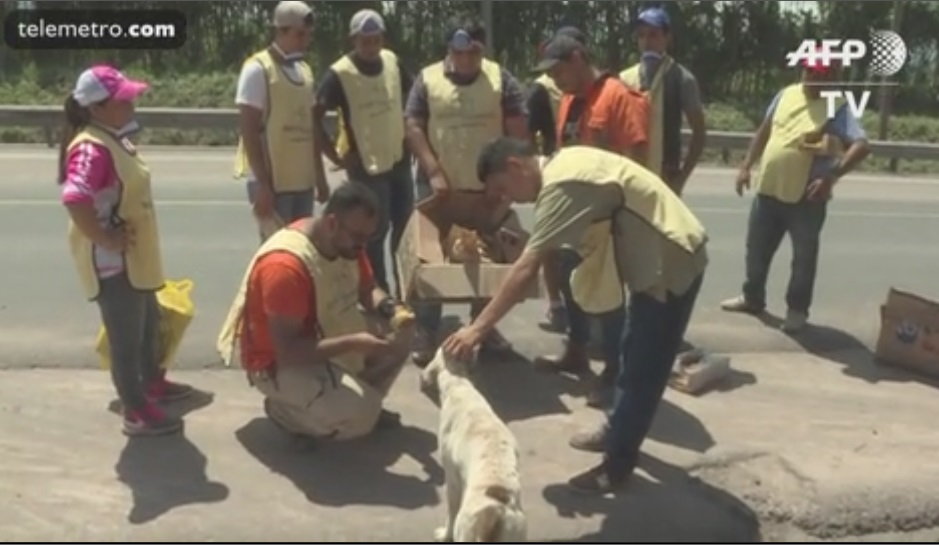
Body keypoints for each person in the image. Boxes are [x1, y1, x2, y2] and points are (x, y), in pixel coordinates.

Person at [443, 138, 708, 494]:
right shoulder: (565, 163)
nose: (508, 200)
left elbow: (527, 268)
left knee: (646, 366)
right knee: (630, 352)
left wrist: (477, 328)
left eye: (504, 189)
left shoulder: (562, 183)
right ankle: (619, 430)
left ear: (517, 166)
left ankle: (616, 467)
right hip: (655, 260)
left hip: (672, 260)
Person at [216, 183, 415, 442]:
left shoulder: (345, 242)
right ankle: (288, 413)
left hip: (328, 333)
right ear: (332, 223)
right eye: (358, 237)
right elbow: (287, 352)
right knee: (360, 417)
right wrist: (353, 343)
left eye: (368, 237)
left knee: (404, 334)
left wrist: (391, 309)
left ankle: (359, 404)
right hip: (280, 363)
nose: (363, 245)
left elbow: (367, 290)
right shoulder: (285, 267)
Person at [59, 64, 193, 436]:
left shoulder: (114, 134)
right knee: (126, 341)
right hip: (114, 265)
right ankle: (135, 410)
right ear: (97, 108)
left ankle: (151, 383)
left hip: (136, 259)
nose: (132, 102)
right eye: (124, 99)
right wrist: (104, 239)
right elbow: (74, 197)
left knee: (148, 326)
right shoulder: (91, 148)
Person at [532, 30, 651, 407]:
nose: (553, 79)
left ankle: (616, 372)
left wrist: (621, 215)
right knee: (572, 283)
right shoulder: (569, 100)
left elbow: (637, 158)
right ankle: (577, 349)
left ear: (579, 58)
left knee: (608, 298)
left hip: (607, 218)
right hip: (576, 213)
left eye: (558, 70)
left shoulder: (618, 96)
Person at [404, 13, 529, 365]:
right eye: (461, 52)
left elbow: (517, 130)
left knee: (488, 260)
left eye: (474, 52)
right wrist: (432, 170)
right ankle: (426, 330)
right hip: (439, 186)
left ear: (482, 49)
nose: (467, 60)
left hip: (485, 190)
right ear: (450, 50)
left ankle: (482, 328)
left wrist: (506, 180)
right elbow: (413, 125)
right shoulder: (427, 79)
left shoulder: (501, 79)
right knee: (430, 261)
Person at [720, 54, 870, 333]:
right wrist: (745, 166)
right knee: (756, 250)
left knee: (803, 258)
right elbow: (764, 132)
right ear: (803, 70)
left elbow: (860, 145)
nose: (816, 78)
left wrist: (831, 178)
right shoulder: (785, 94)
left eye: (824, 74)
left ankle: (797, 310)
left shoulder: (836, 106)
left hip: (807, 196)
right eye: (811, 72)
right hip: (769, 188)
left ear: (833, 76)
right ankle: (752, 298)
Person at [313, 9, 414, 296]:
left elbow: (414, 95)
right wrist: (333, 155)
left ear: (382, 38)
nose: (370, 46)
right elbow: (315, 116)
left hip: (399, 160)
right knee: (372, 234)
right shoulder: (339, 73)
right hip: (366, 167)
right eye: (364, 40)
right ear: (353, 40)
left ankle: (407, 291)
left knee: (405, 232)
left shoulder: (393, 61)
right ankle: (378, 294)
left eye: (375, 39)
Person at [234, 0, 329, 241]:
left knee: (300, 251)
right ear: (280, 31)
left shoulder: (305, 71)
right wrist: (263, 185)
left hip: (302, 183)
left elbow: (312, 127)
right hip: (274, 185)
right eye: (299, 34)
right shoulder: (258, 70)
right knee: (276, 253)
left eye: (308, 35)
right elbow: (249, 130)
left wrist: (319, 176)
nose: (305, 40)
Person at [525, 26, 587, 333]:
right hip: (554, 169)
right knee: (549, 243)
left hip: (587, 174)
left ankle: (586, 311)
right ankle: (556, 304)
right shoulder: (541, 89)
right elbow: (527, 130)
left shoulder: (594, 85)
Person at [619, 7, 707, 194]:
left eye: (653, 35)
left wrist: (681, 178)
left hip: (665, 180)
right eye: (641, 35)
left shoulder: (681, 78)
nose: (646, 42)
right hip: (629, 179)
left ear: (667, 38)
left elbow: (699, 132)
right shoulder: (625, 79)